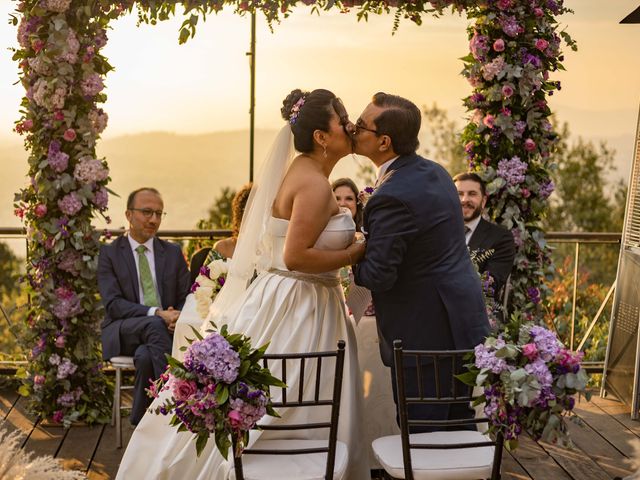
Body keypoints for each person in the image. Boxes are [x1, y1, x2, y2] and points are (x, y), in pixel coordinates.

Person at [116, 89, 369, 480]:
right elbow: (296, 256)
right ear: (321, 136)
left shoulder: (302, 171)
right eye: (342, 119)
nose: (350, 125)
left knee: (283, 397)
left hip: (291, 299)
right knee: (292, 397)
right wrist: (354, 253)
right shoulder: (315, 184)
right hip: (303, 307)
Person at [351, 92, 490, 431]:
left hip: (425, 338)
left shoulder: (391, 196)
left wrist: (353, 249)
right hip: (460, 322)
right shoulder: (436, 172)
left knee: (425, 433)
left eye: (360, 125)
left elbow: (379, 276)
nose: (353, 129)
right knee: (457, 423)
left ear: (383, 141)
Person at [98, 187, 190, 425]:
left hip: (161, 335)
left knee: (146, 357)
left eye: (159, 214)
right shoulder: (109, 254)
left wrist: (177, 316)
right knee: (154, 325)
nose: (154, 220)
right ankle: (176, 405)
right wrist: (158, 314)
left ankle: (142, 421)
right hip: (123, 330)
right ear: (129, 215)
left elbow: (187, 296)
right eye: (147, 212)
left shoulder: (172, 253)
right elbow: (113, 305)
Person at [453, 172, 516, 300]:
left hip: (477, 313)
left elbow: (489, 287)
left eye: (472, 194)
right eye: (459, 194)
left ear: (483, 201)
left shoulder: (501, 238)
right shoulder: (437, 234)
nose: (464, 200)